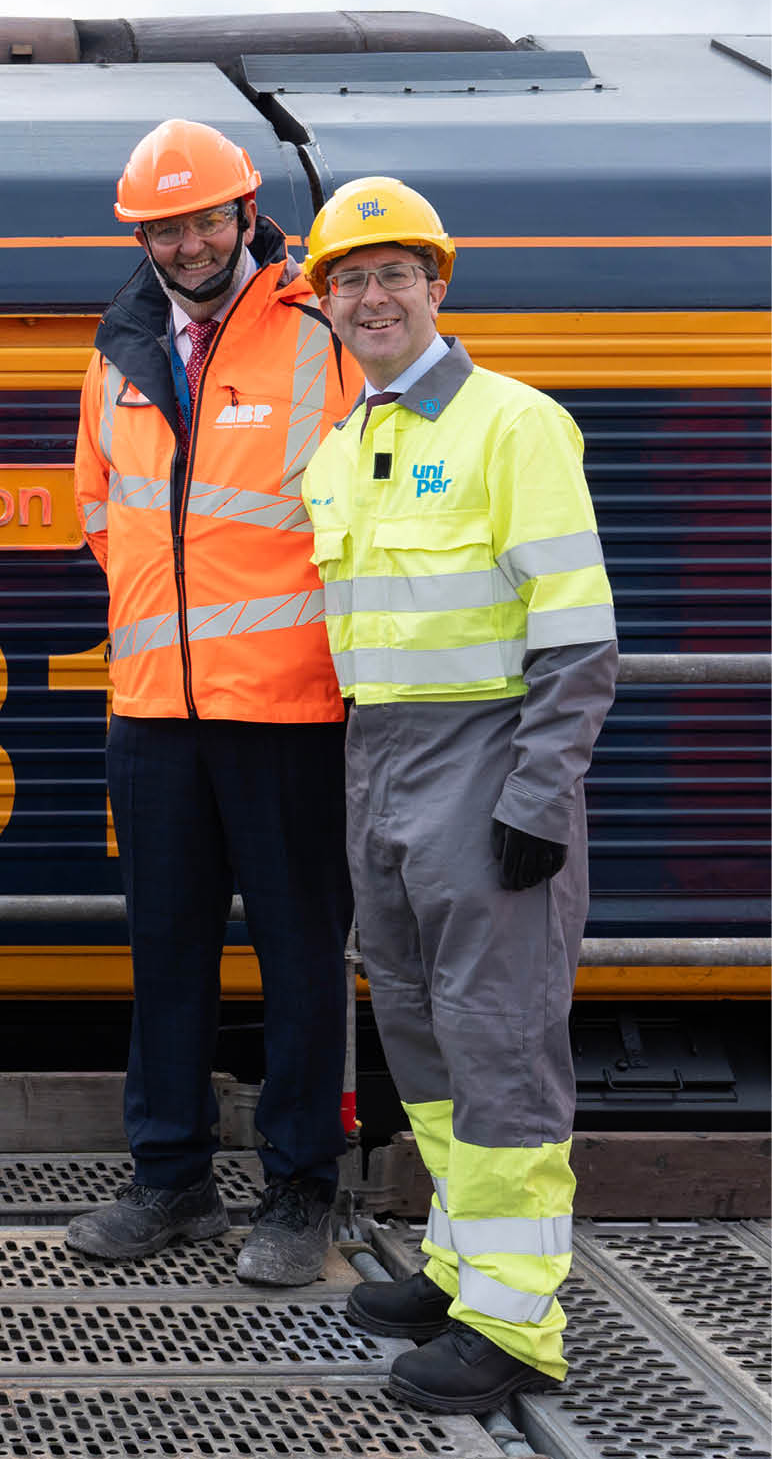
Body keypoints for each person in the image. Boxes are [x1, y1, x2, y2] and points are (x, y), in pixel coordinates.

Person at [300, 177, 615, 1413]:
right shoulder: (344, 451)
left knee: (500, 1043)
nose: (372, 297)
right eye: (349, 280)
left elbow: (578, 637)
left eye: (394, 274)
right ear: (325, 304)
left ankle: (515, 1322)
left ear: (438, 285)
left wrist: (539, 794)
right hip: (378, 764)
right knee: (419, 1029)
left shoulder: (513, 425)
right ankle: (459, 1261)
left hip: (487, 764)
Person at [67, 120, 363, 1285]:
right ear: (141, 235)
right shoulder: (118, 347)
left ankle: (300, 1192)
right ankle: (169, 1180)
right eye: (164, 225)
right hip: (152, 711)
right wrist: (170, 635)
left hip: (291, 708)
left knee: (300, 957)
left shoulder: (317, 331)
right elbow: (102, 512)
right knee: (167, 952)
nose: (187, 241)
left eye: (206, 218)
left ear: (247, 216)